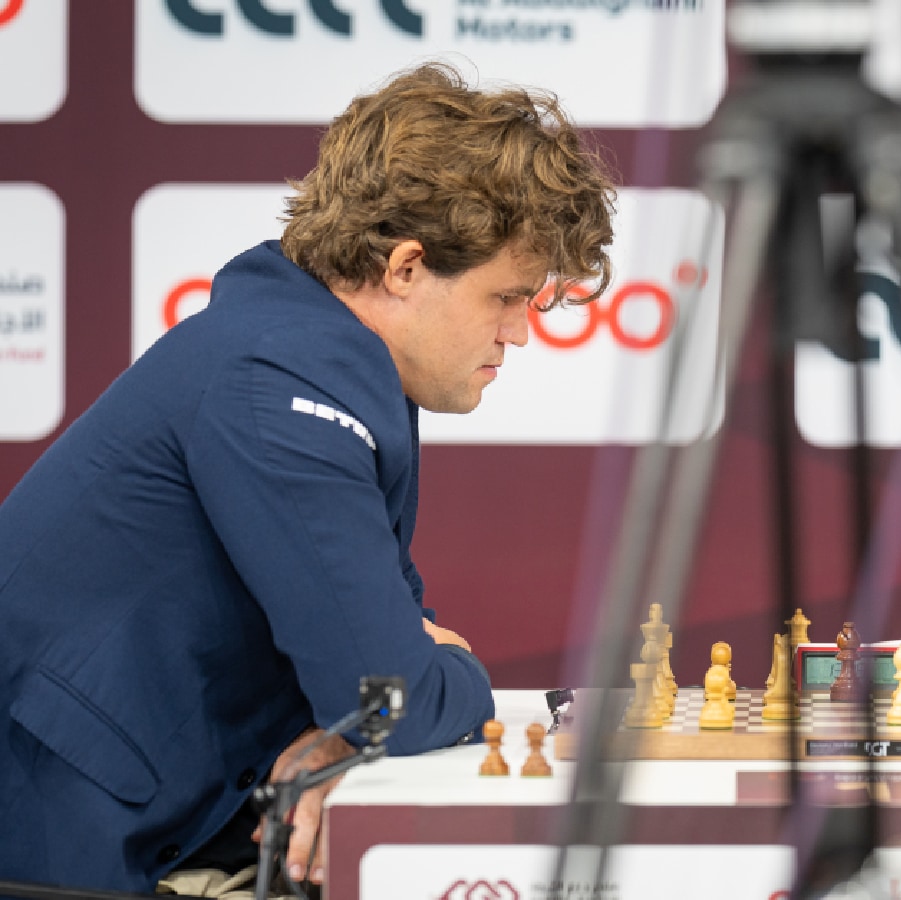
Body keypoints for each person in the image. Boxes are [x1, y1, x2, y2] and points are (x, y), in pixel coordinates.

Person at [0, 63, 615, 895]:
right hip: (56, 852)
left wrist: (361, 718)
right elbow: (395, 690)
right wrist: (451, 671)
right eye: (506, 297)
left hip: (133, 829)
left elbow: (375, 664)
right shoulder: (280, 380)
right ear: (404, 268)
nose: (520, 333)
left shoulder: (308, 355)